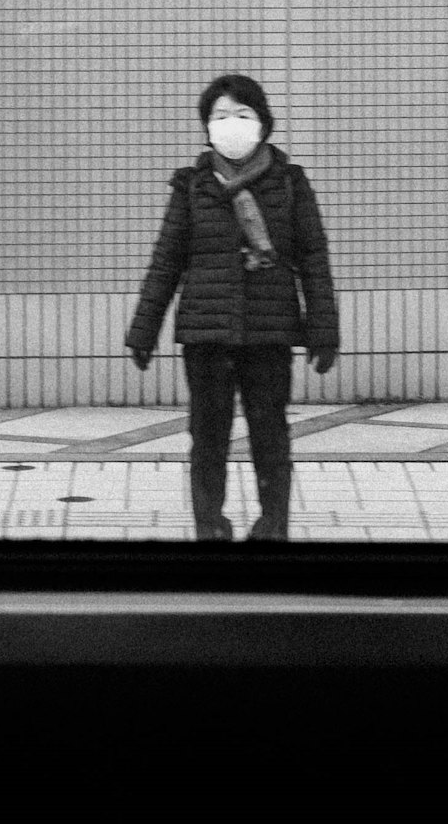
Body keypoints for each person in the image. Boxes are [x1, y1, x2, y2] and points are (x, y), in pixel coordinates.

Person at [126, 73, 339, 542]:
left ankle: (272, 526)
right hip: (207, 334)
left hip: (269, 331)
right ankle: (211, 528)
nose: (231, 125)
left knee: (270, 435)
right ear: (207, 128)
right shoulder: (192, 187)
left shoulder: (289, 184)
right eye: (220, 116)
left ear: (263, 123)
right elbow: (167, 260)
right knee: (208, 439)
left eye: (242, 115)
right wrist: (143, 329)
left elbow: (313, 259)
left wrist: (324, 329)